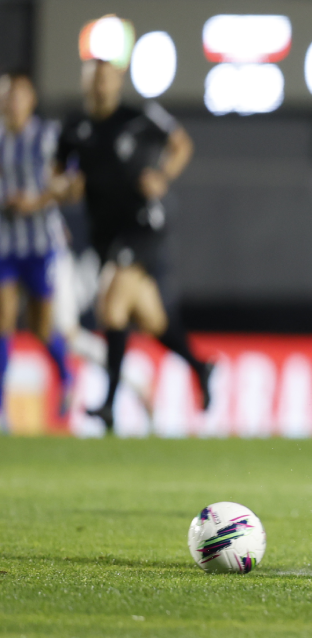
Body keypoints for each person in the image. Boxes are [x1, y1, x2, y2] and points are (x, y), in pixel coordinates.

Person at [51, 59, 212, 433]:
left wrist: (163, 175)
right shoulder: (74, 126)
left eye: (106, 77)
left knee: (111, 306)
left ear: (118, 80)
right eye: (94, 78)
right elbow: (56, 177)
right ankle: (201, 367)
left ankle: (110, 403)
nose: (101, 85)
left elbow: (180, 143)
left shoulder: (139, 117)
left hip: (141, 225)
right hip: (104, 233)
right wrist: (66, 188)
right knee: (151, 320)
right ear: (85, 82)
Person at [0, 71, 75, 424]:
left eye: (18, 95)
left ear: (31, 99)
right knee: (2, 320)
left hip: (40, 244)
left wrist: (37, 200)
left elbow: (70, 184)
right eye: (6, 95)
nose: (12, 102)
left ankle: (66, 375)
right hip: (4, 245)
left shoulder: (48, 137)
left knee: (40, 328)